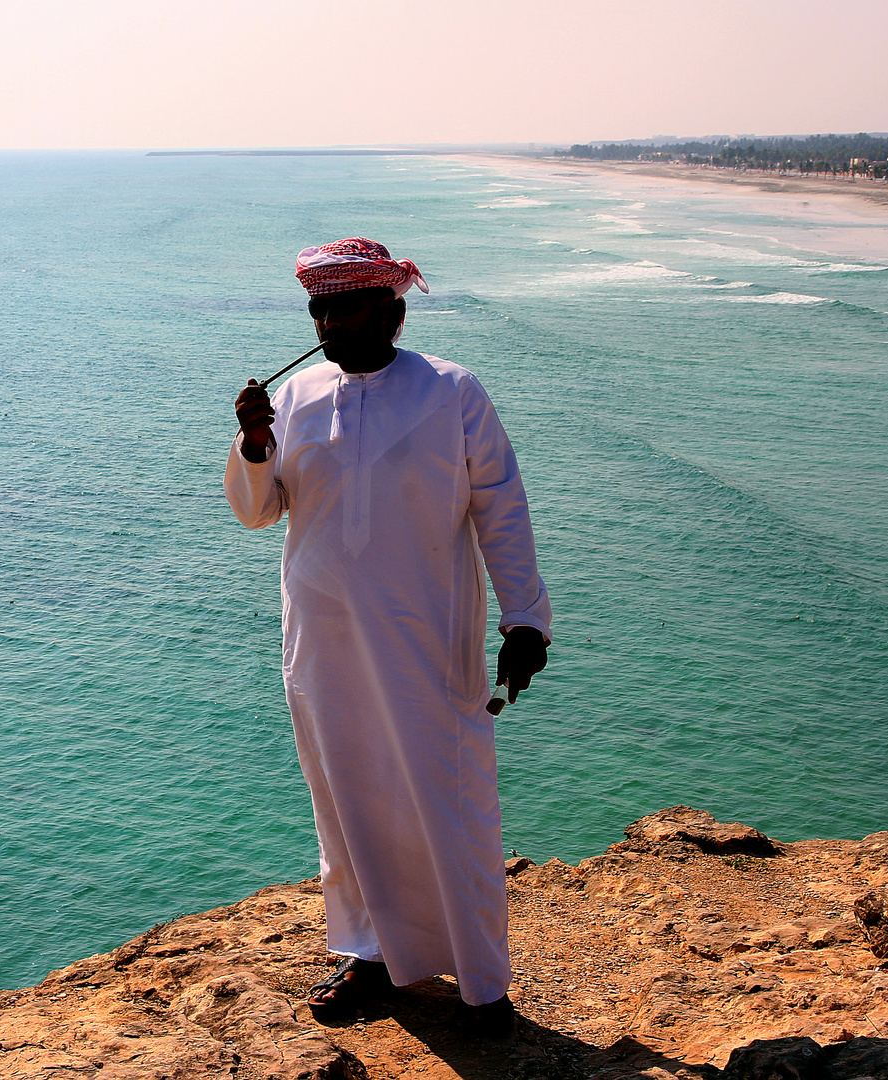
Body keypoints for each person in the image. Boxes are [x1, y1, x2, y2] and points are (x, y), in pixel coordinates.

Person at [224, 237, 551, 1037]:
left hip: (426, 640)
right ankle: (370, 957)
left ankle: (482, 985)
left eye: (345, 306)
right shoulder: (294, 397)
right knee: (349, 804)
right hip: (323, 642)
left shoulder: (452, 392)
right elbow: (256, 512)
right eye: (319, 308)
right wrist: (255, 446)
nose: (329, 321)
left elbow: (500, 508)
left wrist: (525, 620)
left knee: (449, 802)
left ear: (393, 312)